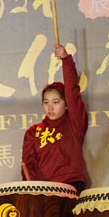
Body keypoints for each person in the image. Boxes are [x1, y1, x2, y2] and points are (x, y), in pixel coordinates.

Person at [20, 44, 88, 193]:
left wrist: (66, 60)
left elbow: (72, 92)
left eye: (56, 102)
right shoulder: (33, 132)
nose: (50, 107)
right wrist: (31, 188)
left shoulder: (73, 124)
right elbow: (29, 165)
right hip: (44, 190)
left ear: (66, 104)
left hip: (71, 185)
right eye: (46, 102)